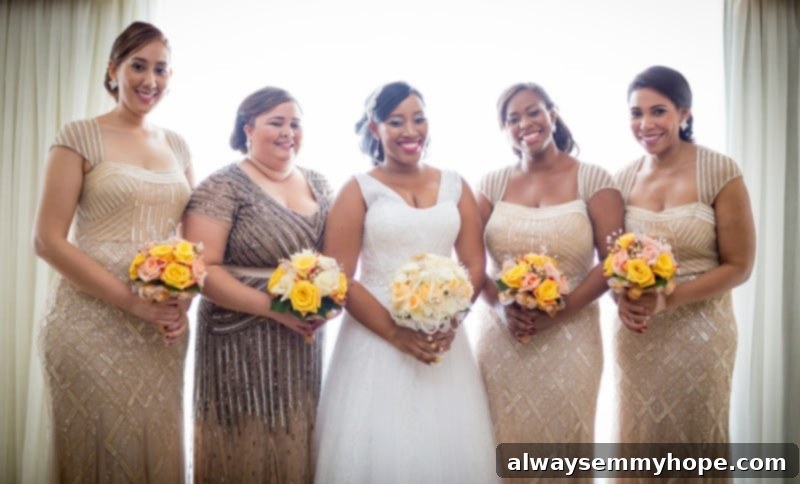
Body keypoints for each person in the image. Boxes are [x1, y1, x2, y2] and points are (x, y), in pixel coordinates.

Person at [314, 81, 497, 484]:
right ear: (375, 129)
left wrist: (449, 323)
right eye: (396, 121)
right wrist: (397, 335)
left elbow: (472, 261)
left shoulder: (455, 184)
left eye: (418, 118)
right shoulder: (358, 189)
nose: (410, 131)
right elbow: (338, 276)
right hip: (374, 337)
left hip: (444, 340)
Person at [34, 21, 191, 482]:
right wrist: (130, 302)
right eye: (138, 66)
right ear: (113, 70)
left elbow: (189, 243)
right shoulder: (79, 135)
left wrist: (182, 304)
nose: (150, 80)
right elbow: (47, 240)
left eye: (161, 69)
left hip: (158, 334)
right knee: (98, 445)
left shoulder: (178, 145)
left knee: (155, 443)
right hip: (88, 325)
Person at [475, 83, 623, 481]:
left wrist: (559, 313)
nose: (525, 123)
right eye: (512, 119)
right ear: (504, 130)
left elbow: (613, 264)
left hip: (571, 338)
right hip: (503, 338)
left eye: (533, 112)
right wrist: (498, 306)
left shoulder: (594, 178)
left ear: (552, 114)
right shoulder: (490, 185)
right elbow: (471, 264)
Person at [182, 86, 331, 483]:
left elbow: (333, 263)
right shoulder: (222, 186)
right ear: (248, 128)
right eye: (276, 122)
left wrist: (325, 306)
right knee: (241, 442)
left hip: (301, 340)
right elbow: (204, 268)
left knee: (296, 435)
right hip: (238, 335)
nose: (288, 132)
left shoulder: (319, 182)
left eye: (295, 124)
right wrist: (275, 310)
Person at [614, 65, 755, 448]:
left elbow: (740, 265)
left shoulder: (720, 170)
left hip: (702, 332)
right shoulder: (622, 179)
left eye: (658, 111)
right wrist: (622, 300)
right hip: (638, 335)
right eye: (636, 113)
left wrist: (668, 300)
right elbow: (611, 258)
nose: (645, 123)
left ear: (684, 114)